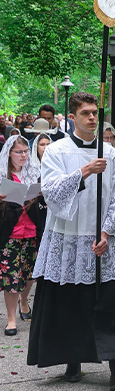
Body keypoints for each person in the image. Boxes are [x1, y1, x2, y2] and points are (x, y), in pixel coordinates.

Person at [27, 92, 115, 391]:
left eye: (95, 113)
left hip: (100, 238)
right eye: (86, 113)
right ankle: (72, 360)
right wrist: (84, 171)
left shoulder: (111, 154)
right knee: (70, 301)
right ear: (74, 116)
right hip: (67, 237)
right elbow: (50, 193)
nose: (92, 118)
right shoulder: (57, 151)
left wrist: (107, 232)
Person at [0, 135, 45, 336]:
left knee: (30, 275)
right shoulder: (2, 175)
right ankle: (11, 319)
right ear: (9, 154)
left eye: (26, 151)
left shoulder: (35, 173)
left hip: (32, 231)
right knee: (11, 277)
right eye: (19, 152)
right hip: (11, 233)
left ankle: (24, 301)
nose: (23, 156)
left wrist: (41, 193)